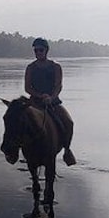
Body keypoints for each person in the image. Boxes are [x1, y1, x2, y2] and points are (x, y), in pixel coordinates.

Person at [24, 38, 76, 166]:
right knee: (18, 122)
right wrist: (40, 96)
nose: (38, 53)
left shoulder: (56, 67)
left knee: (69, 122)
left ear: (46, 51)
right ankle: (15, 150)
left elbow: (58, 86)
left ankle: (67, 150)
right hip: (35, 102)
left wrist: (51, 97)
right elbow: (27, 88)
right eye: (36, 50)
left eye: (40, 50)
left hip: (53, 103)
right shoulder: (30, 67)